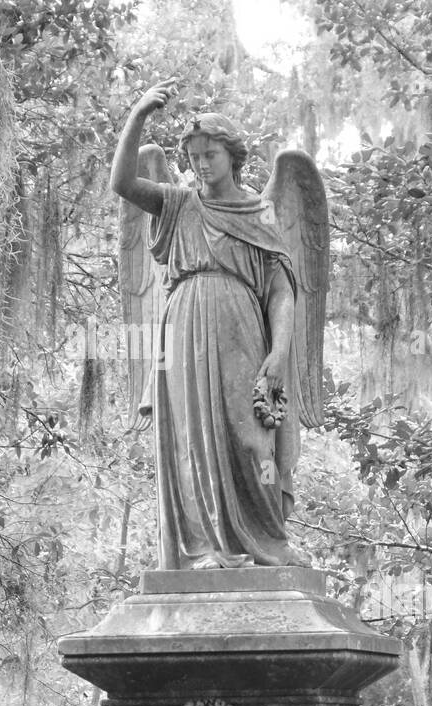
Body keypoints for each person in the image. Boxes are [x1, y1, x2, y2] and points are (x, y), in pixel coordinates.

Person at [110, 79, 307, 569]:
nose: (201, 164)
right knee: (192, 439)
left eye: (210, 154)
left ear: (232, 156)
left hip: (241, 326)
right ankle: (204, 547)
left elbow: (283, 293)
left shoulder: (260, 214)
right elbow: (123, 184)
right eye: (194, 156)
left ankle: (265, 539)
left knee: (247, 436)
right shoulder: (179, 204)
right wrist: (137, 114)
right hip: (184, 327)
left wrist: (279, 353)